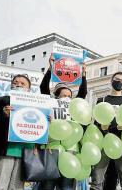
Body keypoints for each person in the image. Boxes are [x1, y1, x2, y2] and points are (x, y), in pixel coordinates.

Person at [37, 56, 88, 190]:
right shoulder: (50, 103)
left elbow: (83, 93)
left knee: (66, 186)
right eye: (64, 95)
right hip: (51, 148)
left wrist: (83, 75)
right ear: (56, 96)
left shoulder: (74, 106)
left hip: (71, 149)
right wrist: (51, 68)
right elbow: (43, 88)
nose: (67, 98)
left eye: (70, 96)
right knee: (47, 185)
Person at [91, 72, 122, 190]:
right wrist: (102, 126)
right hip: (104, 142)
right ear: (111, 81)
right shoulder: (102, 100)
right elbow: (96, 122)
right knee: (97, 180)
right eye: (117, 79)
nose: (119, 82)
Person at [0, 74, 34, 190]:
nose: (18, 84)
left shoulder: (35, 105)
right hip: (4, 150)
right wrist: (1, 115)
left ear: (29, 89)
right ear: (11, 85)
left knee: (17, 187)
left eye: (23, 83)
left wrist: (47, 120)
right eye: (15, 82)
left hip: (25, 152)